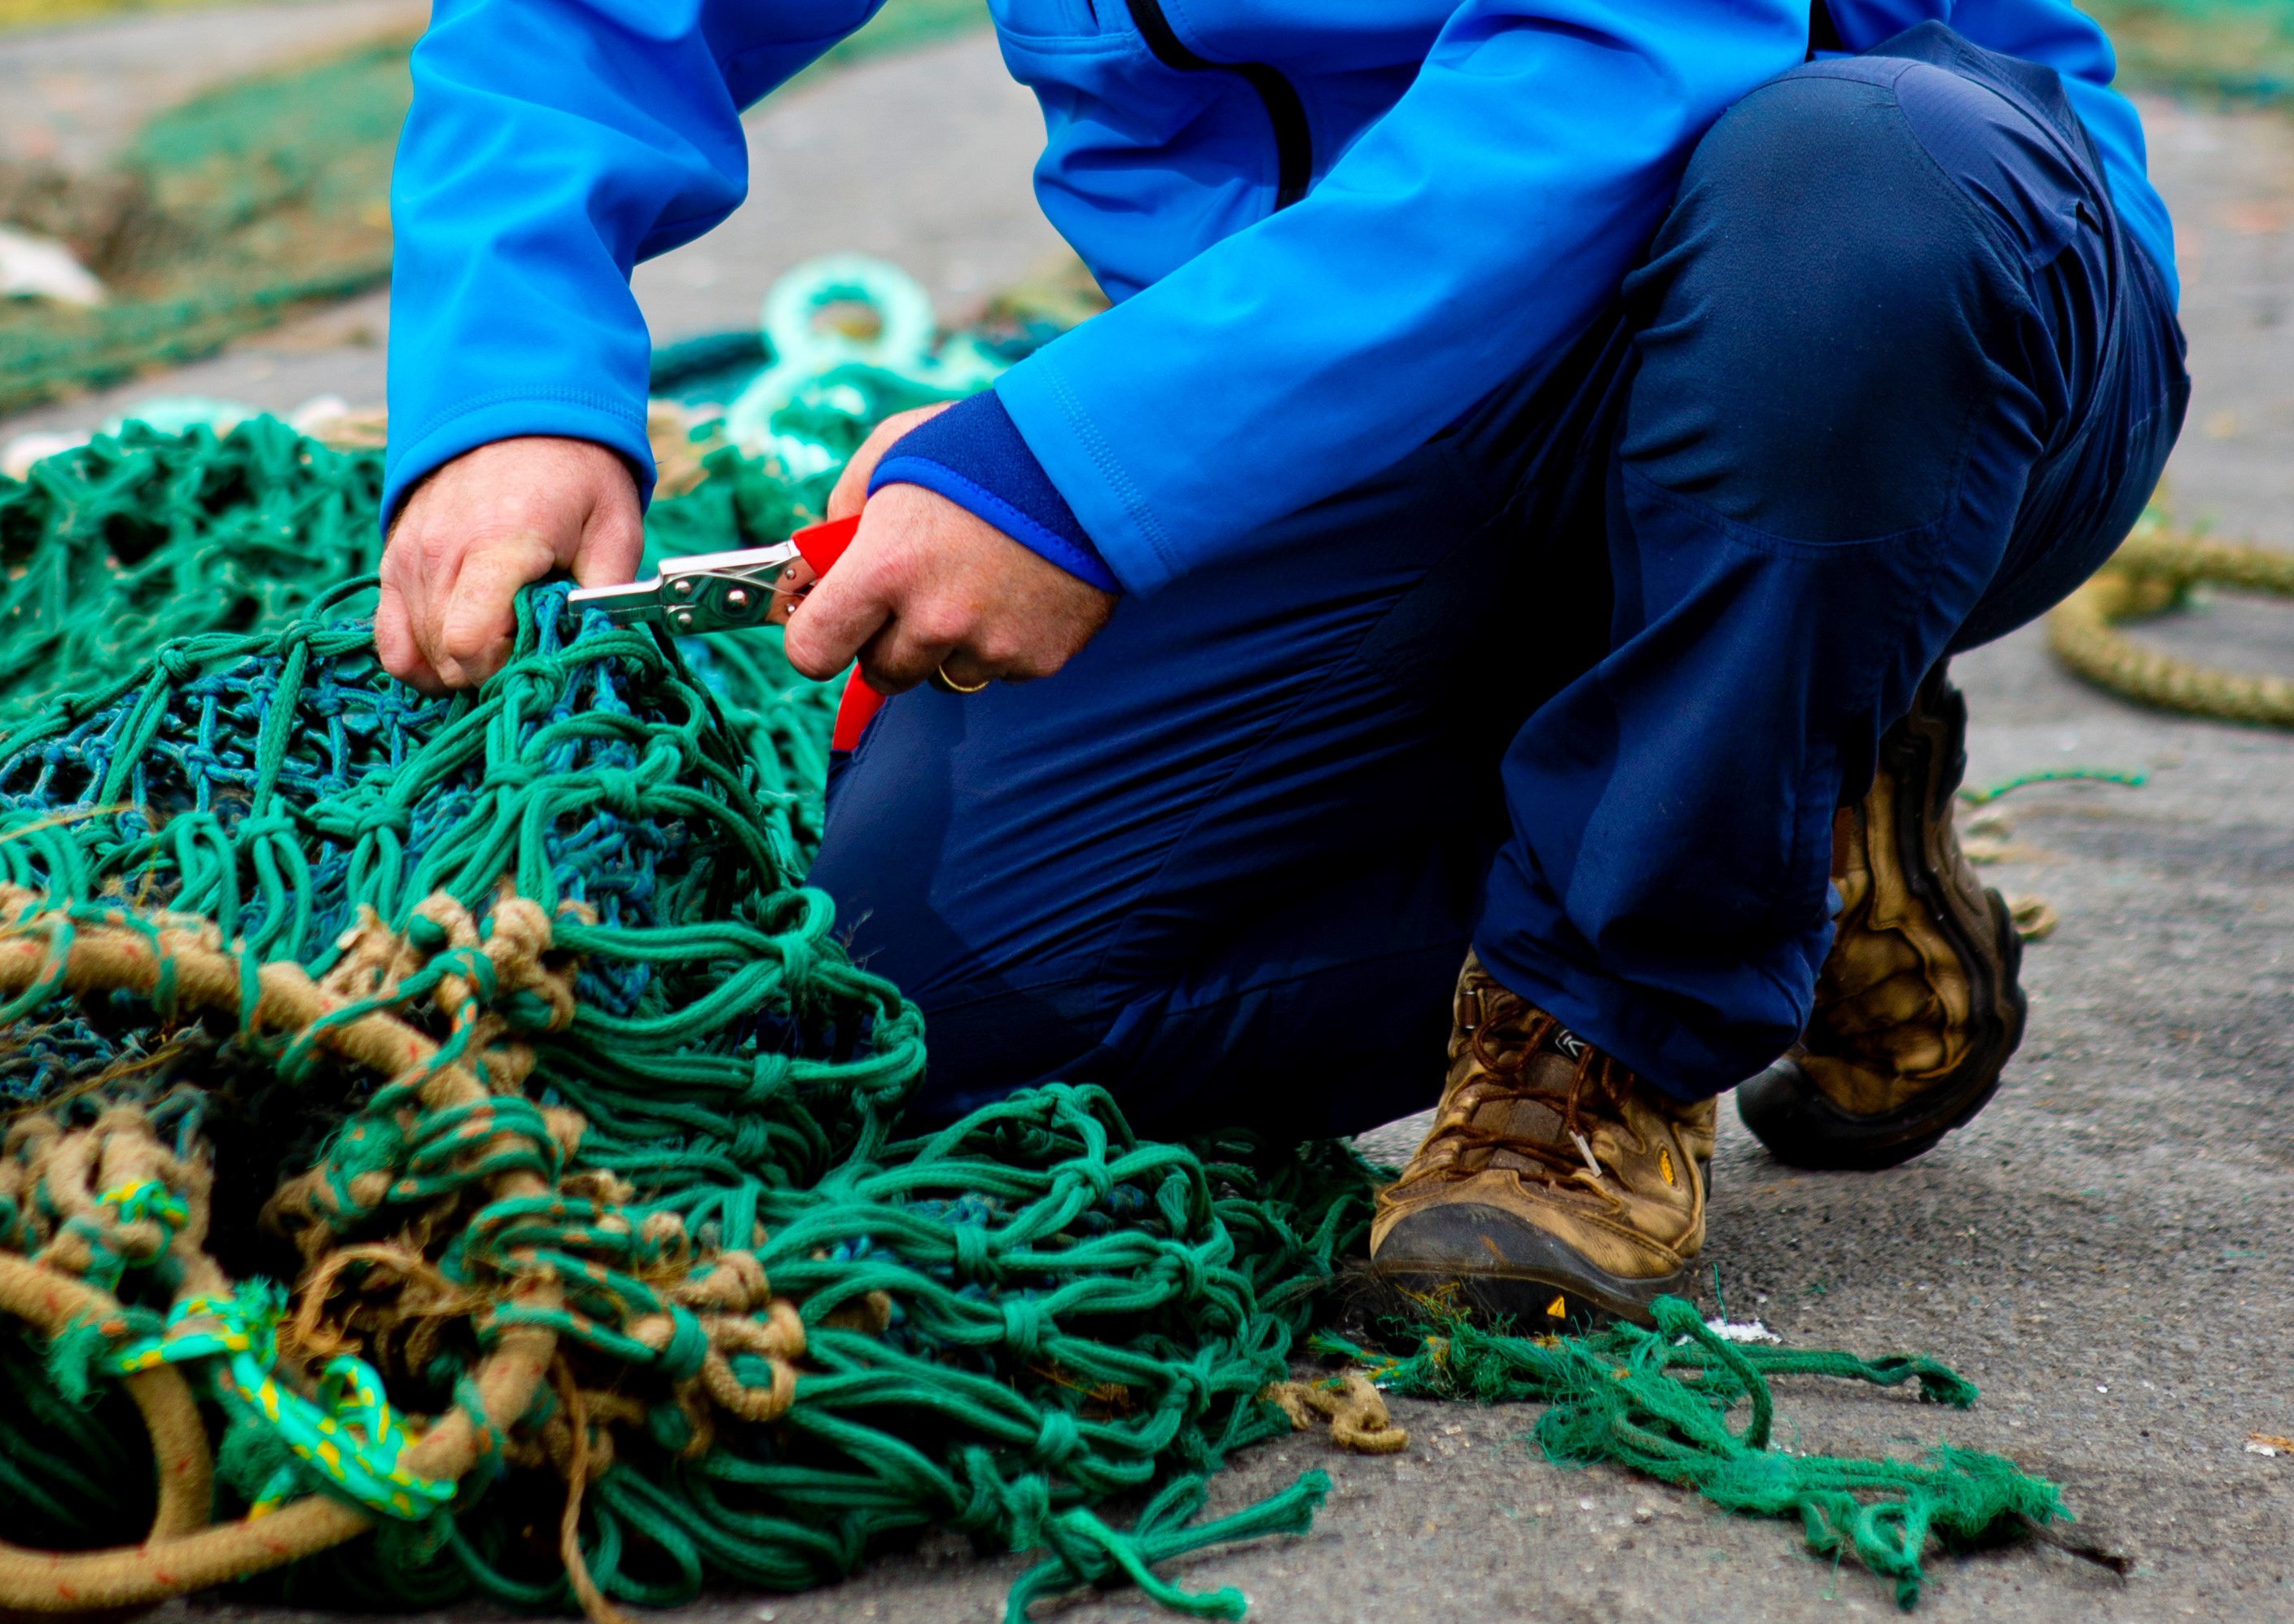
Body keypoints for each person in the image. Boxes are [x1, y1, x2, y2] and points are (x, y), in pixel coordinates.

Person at [372, 0, 2187, 1324]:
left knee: (1848, 190)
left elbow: (1630, 63)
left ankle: (1618, 1012)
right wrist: (511, 388)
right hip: (1347, 393)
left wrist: (1073, 466)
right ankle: (1768, 764)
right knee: (936, 1000)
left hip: (1891, 291)